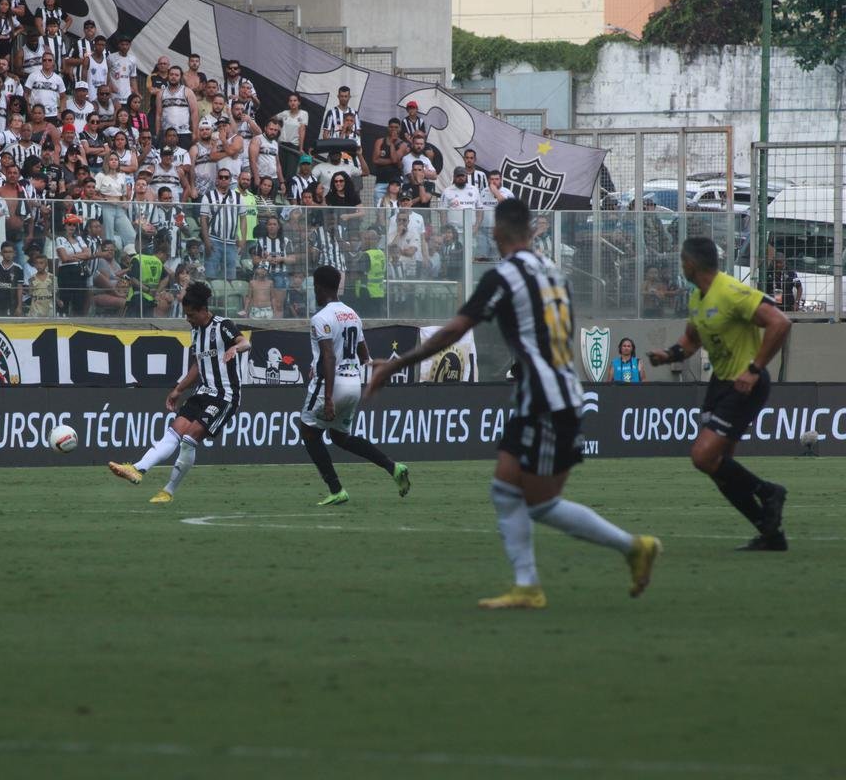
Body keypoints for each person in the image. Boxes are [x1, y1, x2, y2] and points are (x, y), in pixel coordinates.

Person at [368, 198, 662, 609]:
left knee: (539, 502)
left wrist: (397, 364)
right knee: (507, 488)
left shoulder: (504, 275)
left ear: (500, 232)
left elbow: (455, 329)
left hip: (546, 399)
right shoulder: (553, 272)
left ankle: (629, 548)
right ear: (531, 229)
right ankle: (529, 584)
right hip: (550, 393)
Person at [647, 236, 792, 551]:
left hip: (745, 384)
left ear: (691, 264)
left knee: (703, 456)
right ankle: (770, 534)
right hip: (721, 385)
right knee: (720, 467)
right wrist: (667, 355)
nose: (681, 266)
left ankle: (769, 492)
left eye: (683, 261)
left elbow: (780, 322)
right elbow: (691, 340)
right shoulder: (698, 297)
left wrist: (753, 370)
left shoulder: (730, 292)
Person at [108, 282, 250, 503]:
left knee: (188, 438)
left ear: (203, 310)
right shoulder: (196, 332)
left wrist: (234, 348)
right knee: (173, 432)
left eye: (191, 314)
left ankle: (168, 491)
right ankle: (137, 469)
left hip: (225, 396)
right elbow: (197, 366)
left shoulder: (223, 325)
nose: (188, 319)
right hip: (203, 392)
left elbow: (245, 342)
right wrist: (178, 390)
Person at [301, 265, 410, 506]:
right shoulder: (352, 314)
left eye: (314, 288)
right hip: (353, 385)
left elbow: (328, 356)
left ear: (319, 287)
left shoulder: (321, 318)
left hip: (331, 384)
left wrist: (328, 397)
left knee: (308, 431)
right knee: (340, 437)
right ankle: (393, 467)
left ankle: (336, 488)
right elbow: (363, 354)